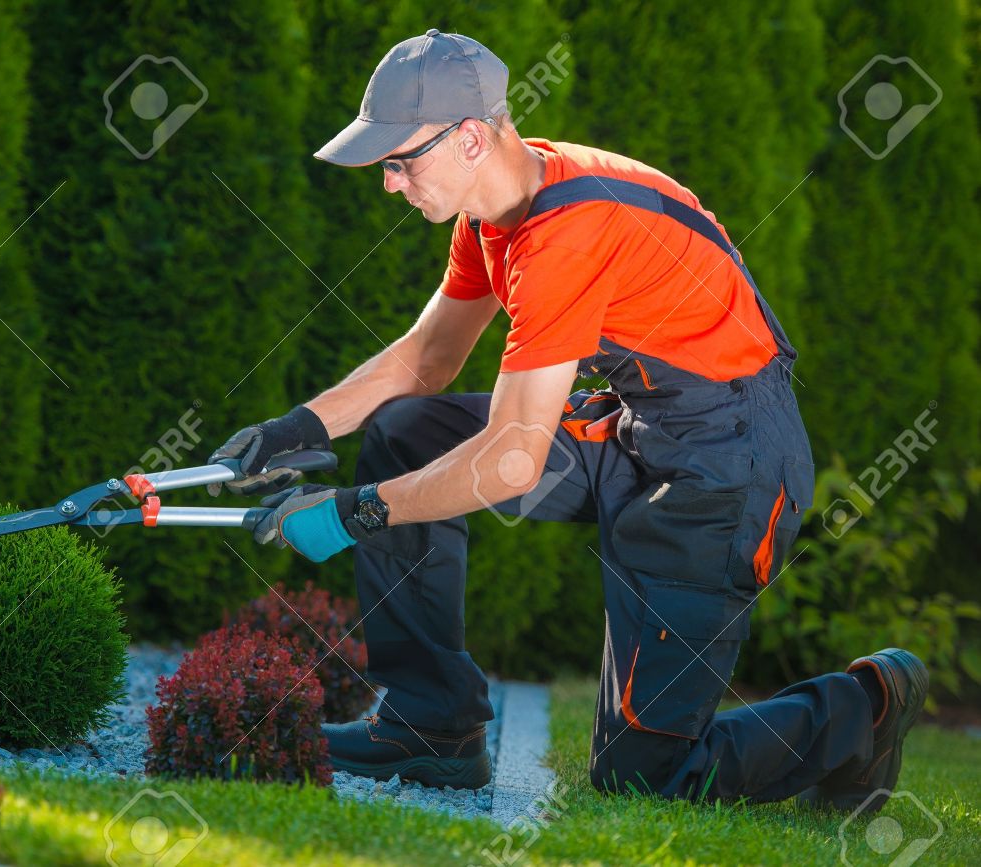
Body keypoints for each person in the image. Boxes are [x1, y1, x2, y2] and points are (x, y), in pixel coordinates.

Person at [207, 29, 926, 810]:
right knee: (408, 428)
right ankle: (431, 725)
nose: (389, 183)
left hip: (730, 469)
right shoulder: (494, 215)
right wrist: (296, 429)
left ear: (471, 137)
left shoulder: (565, 233)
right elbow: (429, 356)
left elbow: (513, 460)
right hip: (636, 430)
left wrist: (359, 510)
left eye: (398, 161)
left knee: (645, 774)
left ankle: (868, 704)